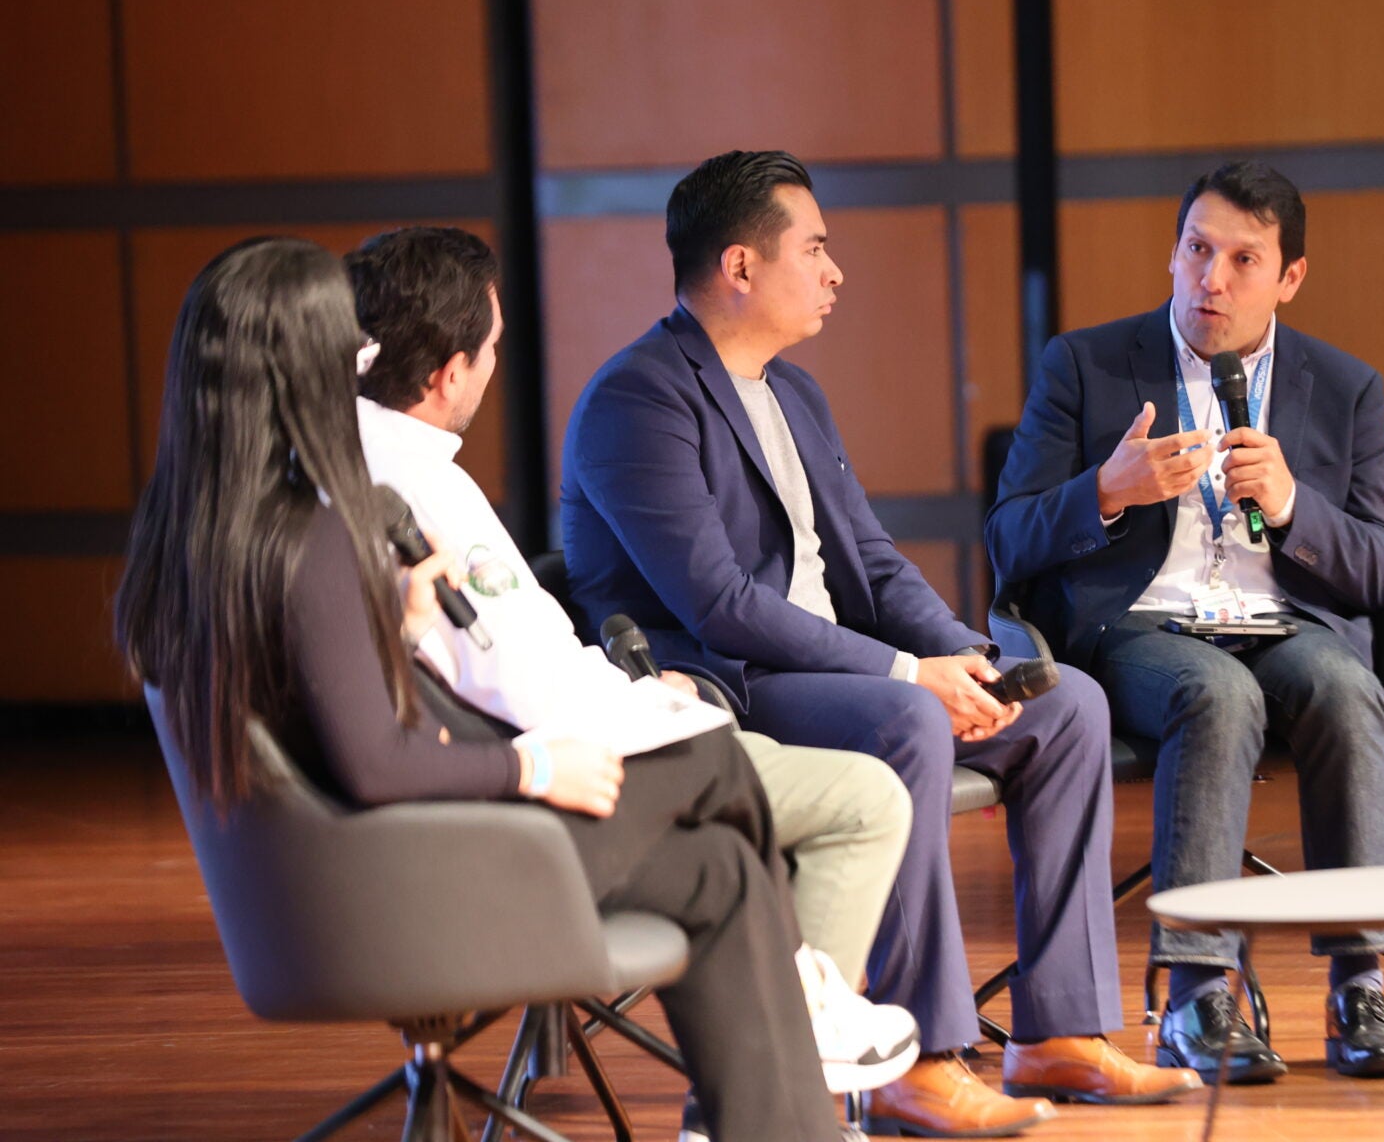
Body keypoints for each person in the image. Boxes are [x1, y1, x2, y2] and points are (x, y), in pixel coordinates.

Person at [115, 236, 861, 1142]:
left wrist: (397, 632)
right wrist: (531, 767)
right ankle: (809, 993)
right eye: (347, 351)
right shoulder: (306, 540)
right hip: (405, 878)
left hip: (348, 871)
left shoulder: (193, 539)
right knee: (700, 744)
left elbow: (314, 714)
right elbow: (374, 764)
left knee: (722, 869)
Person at [561, 150, 1202, 1137]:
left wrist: (965, 658)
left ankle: (1060, 1027)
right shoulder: (636, 399)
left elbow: (872, 560)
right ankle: (923, 1053)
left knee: (1066, 703)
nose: (834, 270)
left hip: (838, 667)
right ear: (740, 265)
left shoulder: (795, 392)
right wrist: (910, 672)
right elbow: (722, 601)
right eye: (813, 248)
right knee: (907, 716)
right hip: (734, 684)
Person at [346, 225, 917, 1140]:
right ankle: (798, 1017)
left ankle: (772, 1098)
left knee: (725, 854)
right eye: (492, 353)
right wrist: (643, 705)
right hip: (515, 813)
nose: (493, 372)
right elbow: (519, 679)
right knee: (785, 772)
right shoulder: (421, 489)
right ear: (450, 372)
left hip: (477, 794)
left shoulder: (346, 471)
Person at [985, 161, 1384, 1083]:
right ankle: (1196, 994)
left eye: (1242, 259)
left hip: (1283, 622)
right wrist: (1104, 492)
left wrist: (1296, 504)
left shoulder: (1344, 388)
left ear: (1288, 278)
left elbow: (1382, 570)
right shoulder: (1085, 366)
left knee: (1343, 686)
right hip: (1140, 629)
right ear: (1174, 253)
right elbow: (1006, 539)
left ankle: (1359, 982)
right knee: (1215, 694)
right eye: (1196, 249)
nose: (1210, 279)